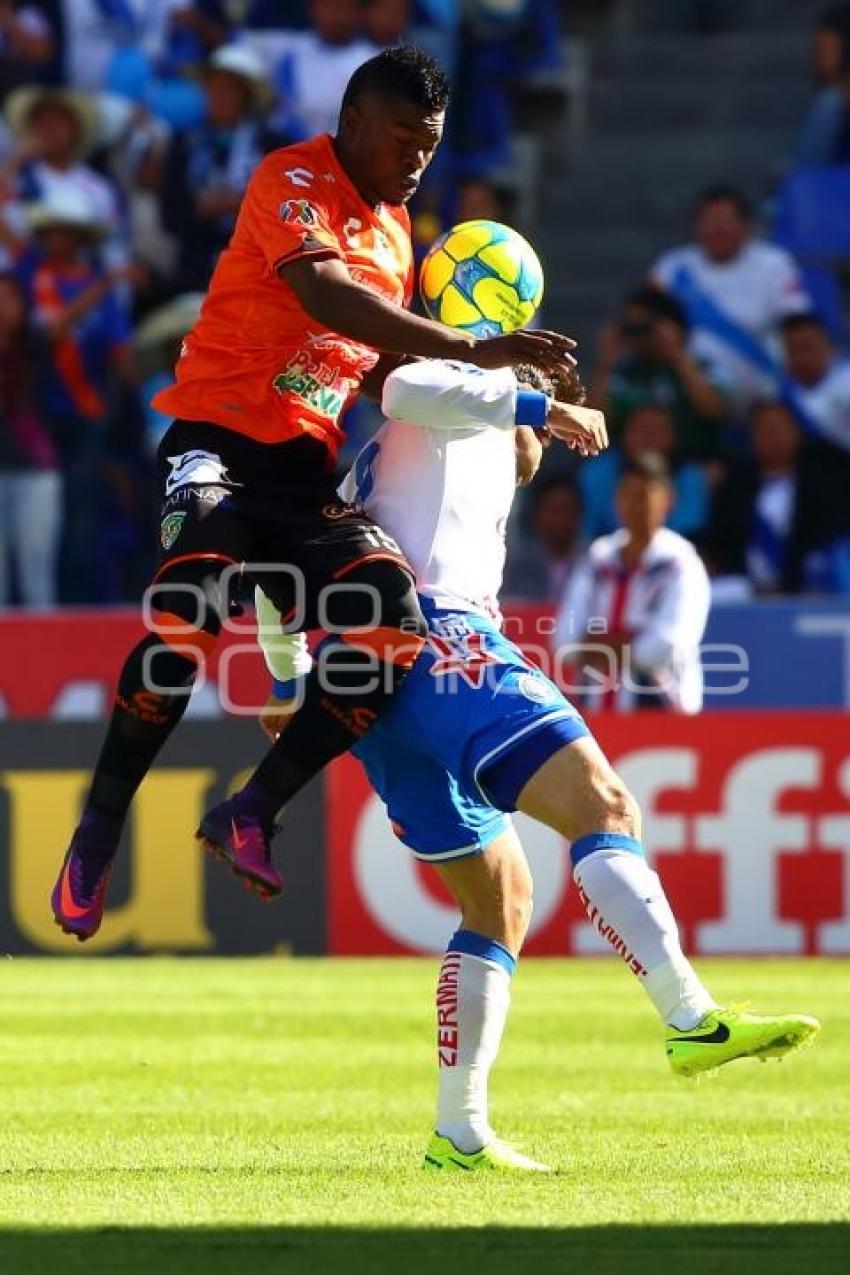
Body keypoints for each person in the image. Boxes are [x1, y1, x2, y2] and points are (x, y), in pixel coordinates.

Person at [50, 45, 577, 941]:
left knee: (391, 619)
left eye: (434, 144)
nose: (418, 159)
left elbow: (382, 369)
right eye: (405, 138)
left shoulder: (396, 233)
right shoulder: (291, 175)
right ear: (355, 122)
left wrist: (510, 415)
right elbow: (326, 298)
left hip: (300, 466)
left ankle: (252, 809)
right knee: (192, 599)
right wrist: (480, 350)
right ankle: (99, 827)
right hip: (216, 439)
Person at [255, 359, 818, 1173]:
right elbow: (411, 381)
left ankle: (460, 1132)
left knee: (500, 900)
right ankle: (692, 1018)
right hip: (438, 636)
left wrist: (289, 675)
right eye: (526, 400)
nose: (538, 443)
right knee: (607, 807)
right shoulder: (446, 409)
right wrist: (537, 400)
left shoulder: (386, 464)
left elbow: (284, 566)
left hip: (363, 681)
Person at [16, 188, 138, 603]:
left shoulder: (95, 288)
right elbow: (48, 335)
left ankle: (85, 603)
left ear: (78, 238)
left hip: (91, 416)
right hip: (42, 416)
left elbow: (120, 350)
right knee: (46, 519)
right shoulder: (34, 280)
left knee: (86, 513)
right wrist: (102, 289)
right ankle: (51, 601)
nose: (53, 241)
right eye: (47, 233)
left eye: (62, 233)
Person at [556, 453, 711, 714]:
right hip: (594, 716)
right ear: (616, 500)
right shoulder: (598, 559)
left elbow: (667, 646)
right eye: (627, 494)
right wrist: (633, 640)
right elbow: (564, 641)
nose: (634, 505)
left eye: (644, 495)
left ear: (667, 500)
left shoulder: (680, 564)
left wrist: (596, 645)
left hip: (663, 716)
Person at [650, 186, 810, 414]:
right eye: (709, 221)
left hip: (761, 394)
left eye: (726, 221)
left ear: (746, 225)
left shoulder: (775, 264)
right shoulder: (672, 268)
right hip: (687, 392)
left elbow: (798, 325)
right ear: (696, 226)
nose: (717, 230)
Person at [157, 43, 286, 291]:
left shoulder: (275, 146)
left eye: (229, 90)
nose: (219, 97)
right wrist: (200, 209)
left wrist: (241, 206)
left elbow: (289, 211)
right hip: (196, 268)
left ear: (246, 96)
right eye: (213, 88)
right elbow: (169, 215)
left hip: (258, 270)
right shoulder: (183, 143)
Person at [705, 400, 846, 595]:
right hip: (744, 588)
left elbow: (829, 536)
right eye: (765, 430)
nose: (773, 437)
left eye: (779, 429)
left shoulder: (822, 484)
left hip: (806, 585)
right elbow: (721, 537)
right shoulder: (735, 483)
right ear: (752, 436)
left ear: (796, 433)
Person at [1, 84, 130, 280]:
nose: (49, 129)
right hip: (15, 288)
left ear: (75, 130)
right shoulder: (16, 177)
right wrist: (16, 161)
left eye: (58, 122)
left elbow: (112, 248)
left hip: (76, 290)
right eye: (40, 123)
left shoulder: (98, 187)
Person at [590, 285, 730, 461]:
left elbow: (715, 411)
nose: (639, 336)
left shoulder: (702, 368)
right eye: (632, 327)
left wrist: (677, 353)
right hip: (629, 467)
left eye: (645, 327)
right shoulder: (622, 375)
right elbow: (592, 423)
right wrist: (606, 361)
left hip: (690, 463)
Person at [0, 269, 61, 606]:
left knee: (36, 570)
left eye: (9, 298)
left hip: (36, 469)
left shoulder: (35, 347)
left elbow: (60, 327)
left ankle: (48, 655)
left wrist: (104, 284)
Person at [578, 404, 710, 542]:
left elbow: (689, 534)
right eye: (642, 429)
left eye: (658, 431)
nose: (648, 438)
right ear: (625, 434)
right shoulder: (597, 472)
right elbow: (585, 532)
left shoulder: (691, 477)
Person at [501, 473, 584, 603]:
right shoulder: (515, 564)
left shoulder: (591, 560)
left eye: (566, 510)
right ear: (537, 514)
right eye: (554, 511)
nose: (560, 520)